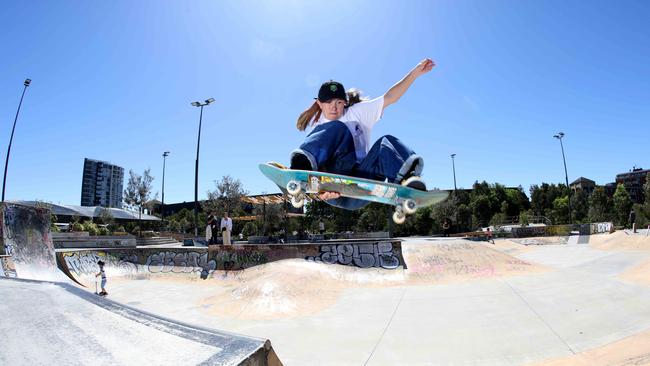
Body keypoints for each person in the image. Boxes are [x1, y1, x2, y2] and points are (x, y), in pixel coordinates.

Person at [290, 58, 435, 209]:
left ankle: (407, 183)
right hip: (334, 186)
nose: (334, 108)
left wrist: (415, 73)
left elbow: (390, 97)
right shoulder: (320, 127)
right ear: (319, 103)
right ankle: (300, 166)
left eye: (339, 102)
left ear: (345, 102)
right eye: (328, 103)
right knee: (338, 128)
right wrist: (318, 189)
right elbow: (318, 163)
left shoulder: (358, 113)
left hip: (361, 185)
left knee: (387, 142)